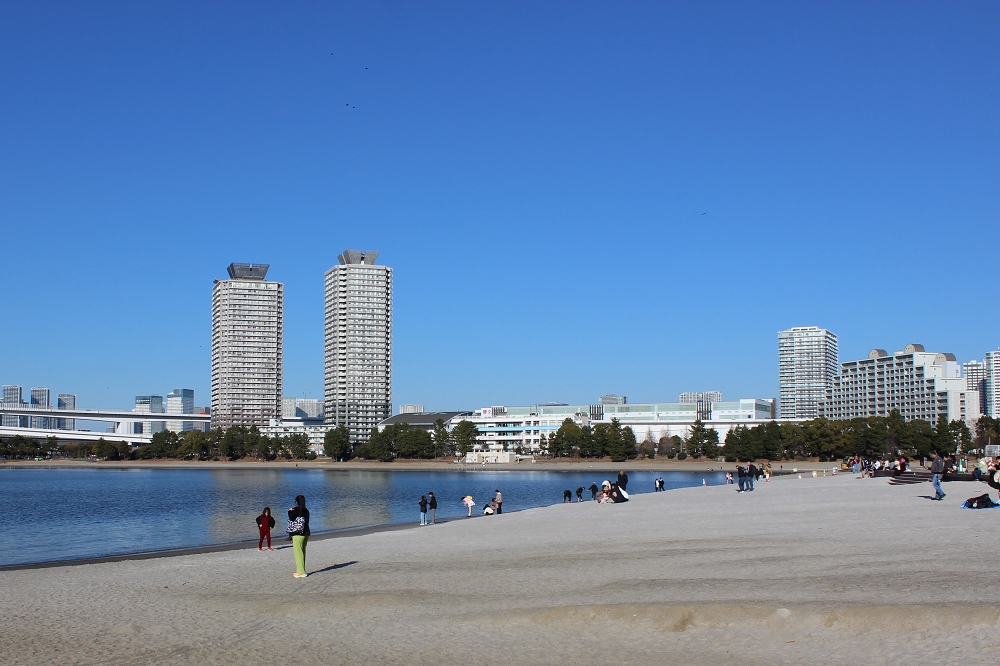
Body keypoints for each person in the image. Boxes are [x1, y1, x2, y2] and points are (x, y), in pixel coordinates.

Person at [287, 495, 310, 578]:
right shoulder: (306, 510)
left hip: (297, 534)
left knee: (298, 553)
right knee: (302, 552)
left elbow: (291, 518)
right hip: (306, 533)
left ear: (296, 502)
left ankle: (301, 572)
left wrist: (289, 511)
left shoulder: (296, 509)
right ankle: (301, 570)